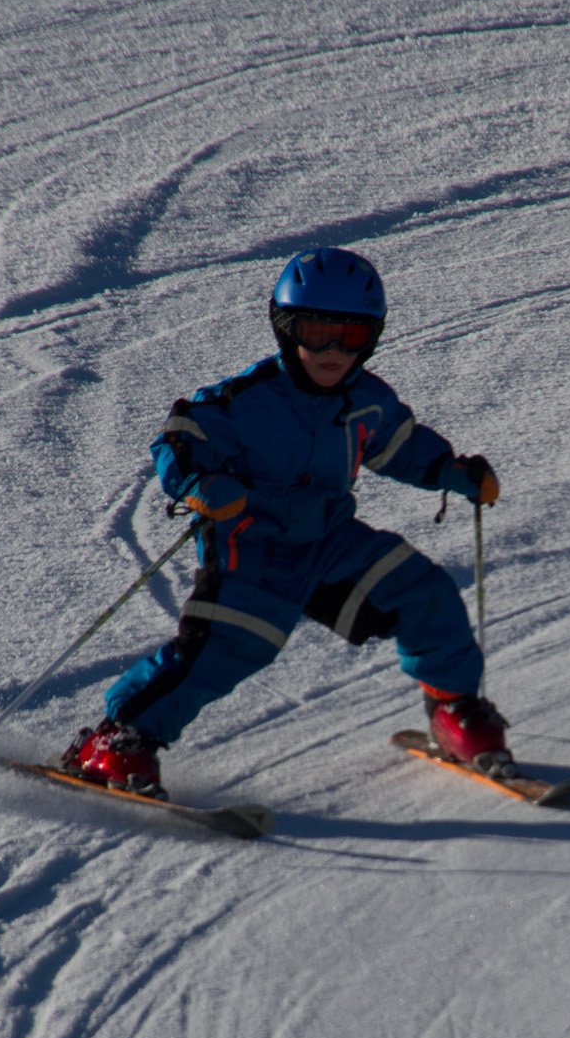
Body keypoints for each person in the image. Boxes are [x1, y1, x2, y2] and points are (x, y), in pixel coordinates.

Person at [65, 247, 506, 798]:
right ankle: (118, 738)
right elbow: (181, 437)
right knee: (226, 649)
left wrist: (450, 471)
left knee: (424, 594)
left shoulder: (368, 400)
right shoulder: (248, 401)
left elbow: (400, 446)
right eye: (316, 333)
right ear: (285, 328)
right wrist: (199, 482)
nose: (333, 351)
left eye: (350, 336)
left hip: (330, 543)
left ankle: (454, 709)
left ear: (371, 337)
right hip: (252, 551)